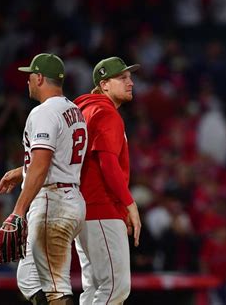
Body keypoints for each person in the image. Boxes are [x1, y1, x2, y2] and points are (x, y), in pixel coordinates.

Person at [0, 53, 88, 304]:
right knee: (28, 279)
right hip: (68, 196)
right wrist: (20, 171)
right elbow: (52, 159)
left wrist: (17, 211)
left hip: (53, 202)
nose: (27, 82)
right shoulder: (74, 110)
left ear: (39, 78)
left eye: (29, 76)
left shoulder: (43, 112)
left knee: (56, 289)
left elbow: (41, 166)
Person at [73, 56, 142, 304]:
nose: (130, 82)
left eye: (130, 77)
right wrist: (129, 204)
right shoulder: (106, 112)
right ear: (104, 84)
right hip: (101, 206)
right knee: (116, 287)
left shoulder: (82, 111)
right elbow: (108, 163)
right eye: (122, 78)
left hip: (81, 209)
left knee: (94, 287)